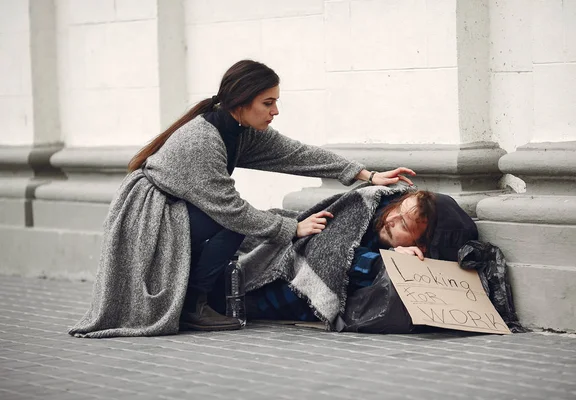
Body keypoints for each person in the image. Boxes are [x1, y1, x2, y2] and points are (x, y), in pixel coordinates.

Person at [68, 59, 417, 338]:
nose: (275, 111)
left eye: (275, 102)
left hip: (175, 207)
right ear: (241, 101)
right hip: (148, 214)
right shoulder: (202, 141)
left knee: (232, 224)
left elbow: (297, 154)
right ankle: (192, 305)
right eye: (268, 102)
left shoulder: (238, 131)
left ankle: (197, 298)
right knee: (231, 225)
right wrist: (292, 227)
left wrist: (366, 175)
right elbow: (230, 210)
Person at [244, 190, 437, 322]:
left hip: (275, 301)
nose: (391, 220)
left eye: (403, 224)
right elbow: (332, 249)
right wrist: (385, 261)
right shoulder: (369, 208)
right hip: (268, 272)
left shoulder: (419, 254)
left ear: (421, 245)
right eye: (397, 210)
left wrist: (395, 261)